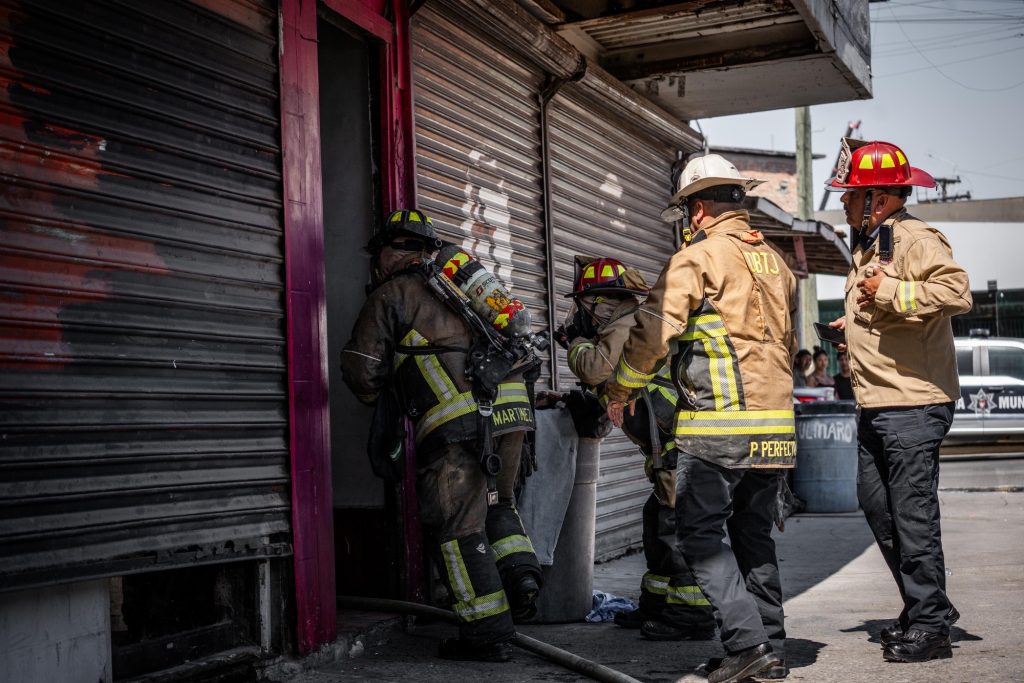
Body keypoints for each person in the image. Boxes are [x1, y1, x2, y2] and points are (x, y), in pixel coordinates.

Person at [604, 153, 797, 683]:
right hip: (776, 429)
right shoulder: (777, 263)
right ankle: (770, 648)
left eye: (688, 211)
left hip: (719, 429)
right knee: (754, 536)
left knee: (699, 536)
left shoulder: (697, 259)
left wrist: (620, 389)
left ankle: (747, 644)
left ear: (698, 209)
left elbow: (652, 334)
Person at [340, 209, 542, 663]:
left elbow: (361, 371)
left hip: (459, 429)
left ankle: (486, 634)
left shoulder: (392, 294)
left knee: (458, 528)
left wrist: (383, 392)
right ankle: (523, 579)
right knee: (498, 504)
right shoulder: (459, 287)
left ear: (389, 253)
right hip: (512, 416)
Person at [825, 138, 972, 663]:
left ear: (879, 199)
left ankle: (930, 628)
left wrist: (889, 292)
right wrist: (851, 328)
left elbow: (956, 293)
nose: (844, 202)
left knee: (912, 516)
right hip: (877, 403)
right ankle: (927, 606)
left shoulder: (912, 238)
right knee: (878, 507)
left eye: (851, 195)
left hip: (912, 404)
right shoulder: (872, 245)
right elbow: (886, 314)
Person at [558, 256, 715, 642]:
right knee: (655, 518)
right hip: (668, 444)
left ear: (602, 302)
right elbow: (617, 386)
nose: (581, 315)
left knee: (673, 523)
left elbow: (595, 368)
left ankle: (691, 613)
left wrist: (575, 342)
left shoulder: (625, 320)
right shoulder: (630, 320)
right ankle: (656, 603)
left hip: (678, 442)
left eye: (584, 305)